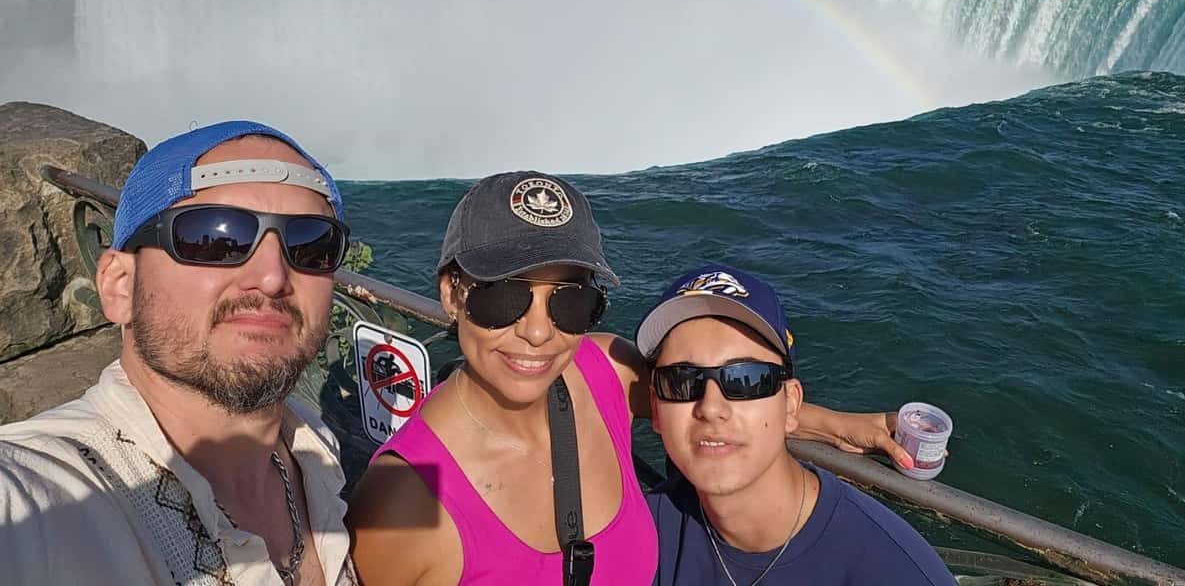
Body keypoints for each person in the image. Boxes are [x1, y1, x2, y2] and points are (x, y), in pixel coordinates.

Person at [347, 172, 914, 585]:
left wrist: (838, 427)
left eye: (569, 302)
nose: (539, 332)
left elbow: (705, 398)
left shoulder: (601, 372)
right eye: (503, 297)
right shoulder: (405, 502)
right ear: (451, 294)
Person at [0, 122, 357, 585]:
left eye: (310, 244)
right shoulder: (46, 499)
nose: (272, 277)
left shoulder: (313, 446)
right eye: (214, 239)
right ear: (120, 286)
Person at [638, 264, 958, 585]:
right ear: (655, 406)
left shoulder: (895, 571)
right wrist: (834, 426)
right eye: (680, 381)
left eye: (746, 379)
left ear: (790, 403)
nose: (710, 408)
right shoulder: (641, 537)